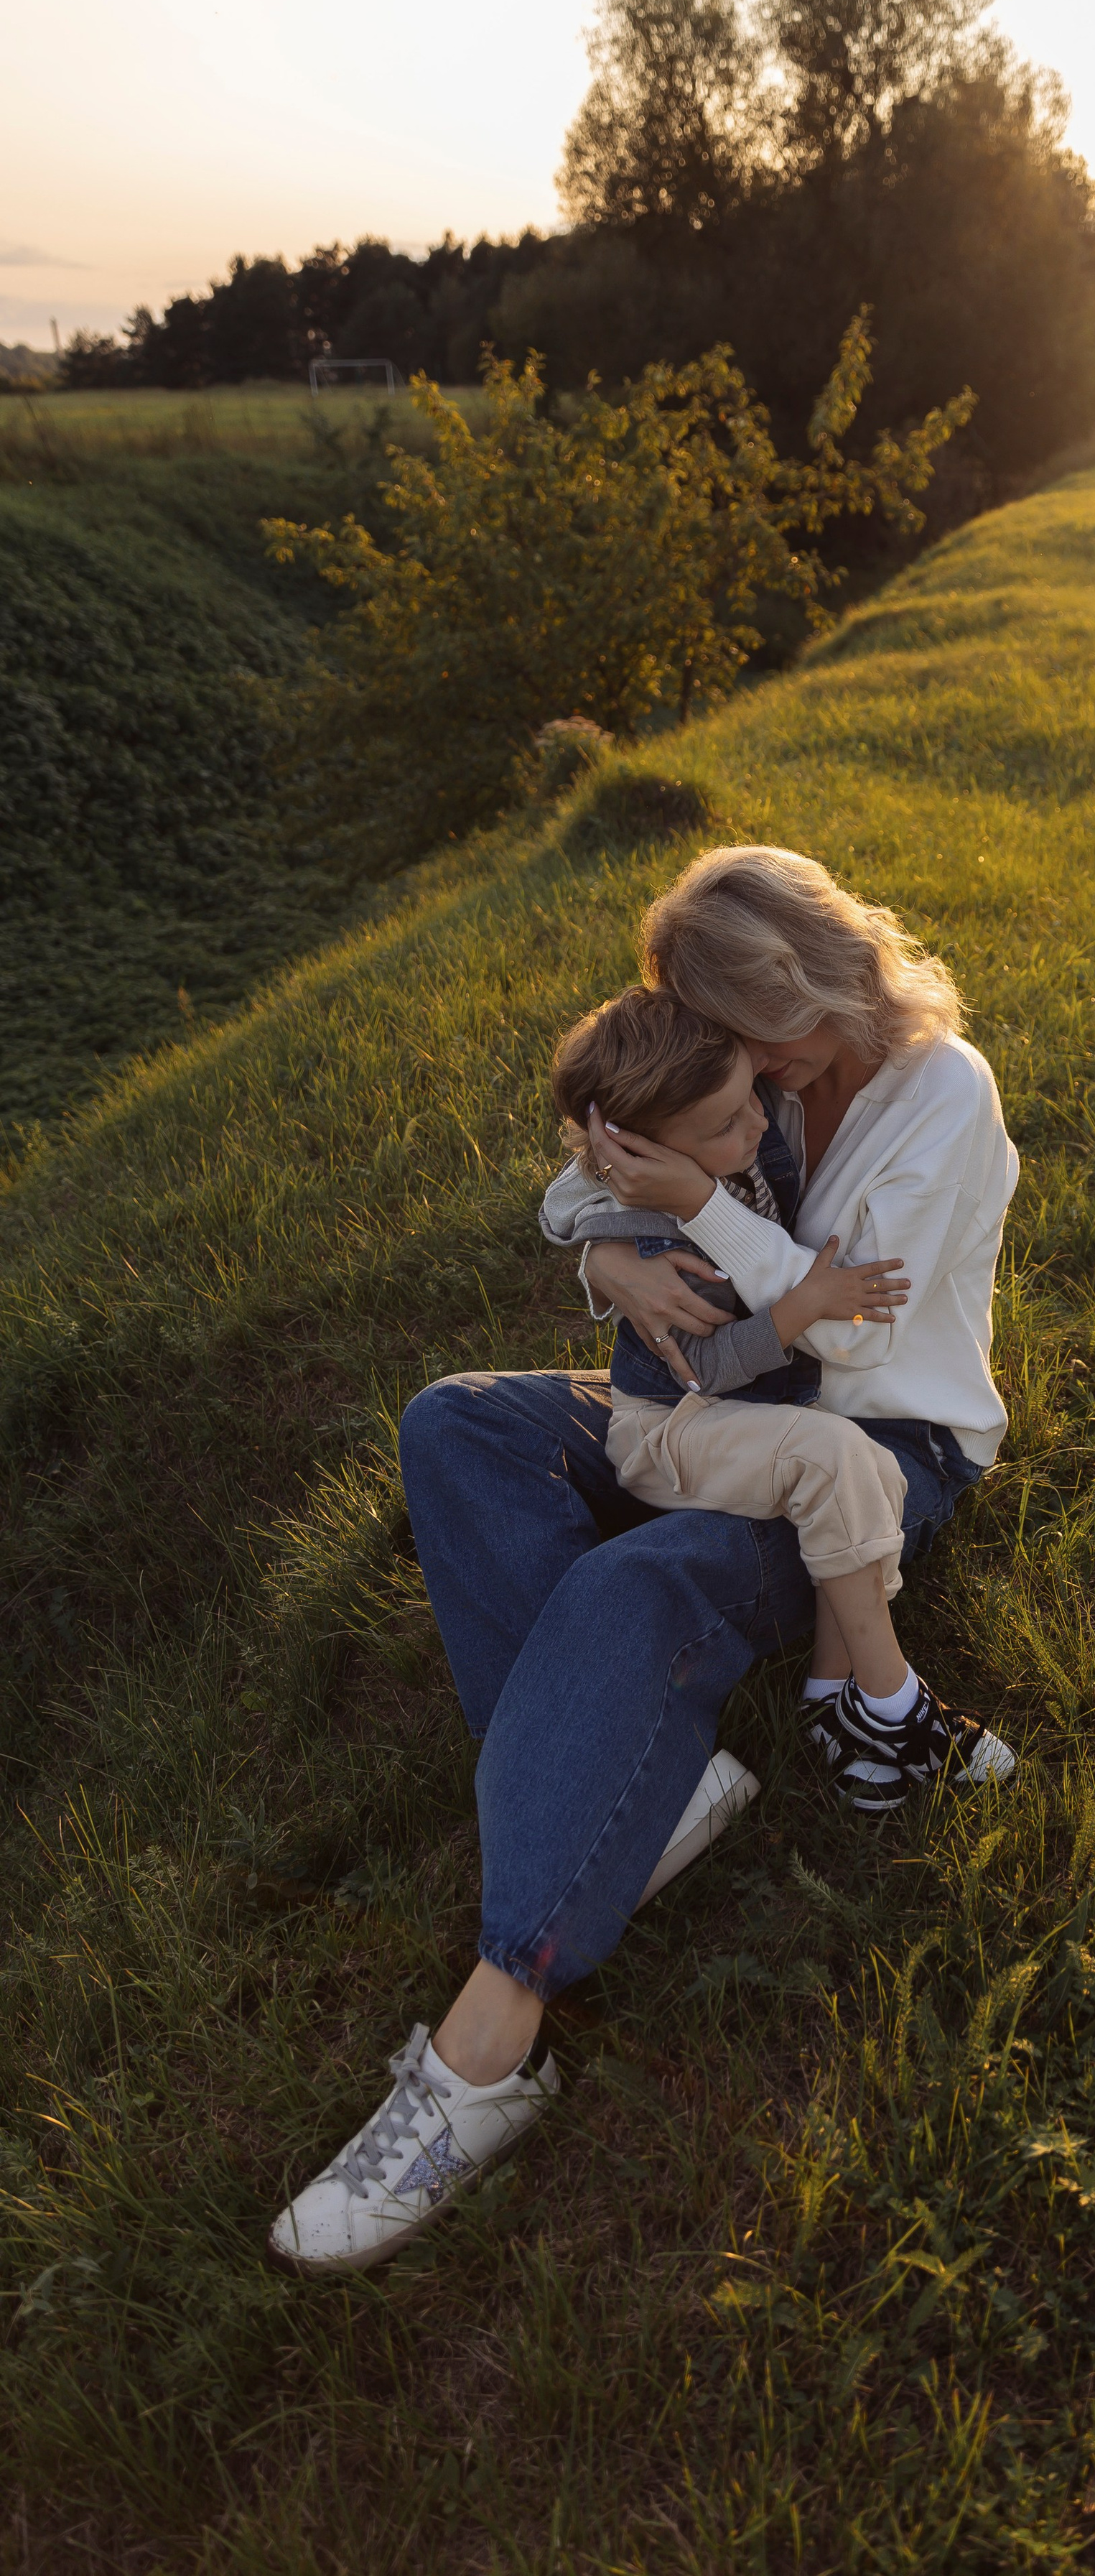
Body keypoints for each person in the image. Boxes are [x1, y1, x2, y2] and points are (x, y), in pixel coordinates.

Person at [269, 846, 1019, 2274]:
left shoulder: (941, 1099)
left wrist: (685, 1208)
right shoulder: (754, 1074)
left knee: (633, 1582)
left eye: (753, 1044)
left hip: (877, 1446)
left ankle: (485, 2054)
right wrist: (602, 1262)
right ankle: (643, 1787)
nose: (739, 1072)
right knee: (461, 1426)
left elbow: (846, 1332)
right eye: (718, 1045)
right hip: (722, 1403)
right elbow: (603, 1160)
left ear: (830, 986)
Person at [538, 981, 1016, 1800]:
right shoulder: (650, 1214)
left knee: (845, 1458)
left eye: (751, 1102)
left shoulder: (729, 1119)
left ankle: (835, 1700)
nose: (760, 1122)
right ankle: (894, 1701)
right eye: (730, 1124)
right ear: (645, 1151)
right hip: (675, 1424)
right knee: (831, 1455)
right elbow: (709, 1368)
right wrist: (801, 1304)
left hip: (751, 1412)